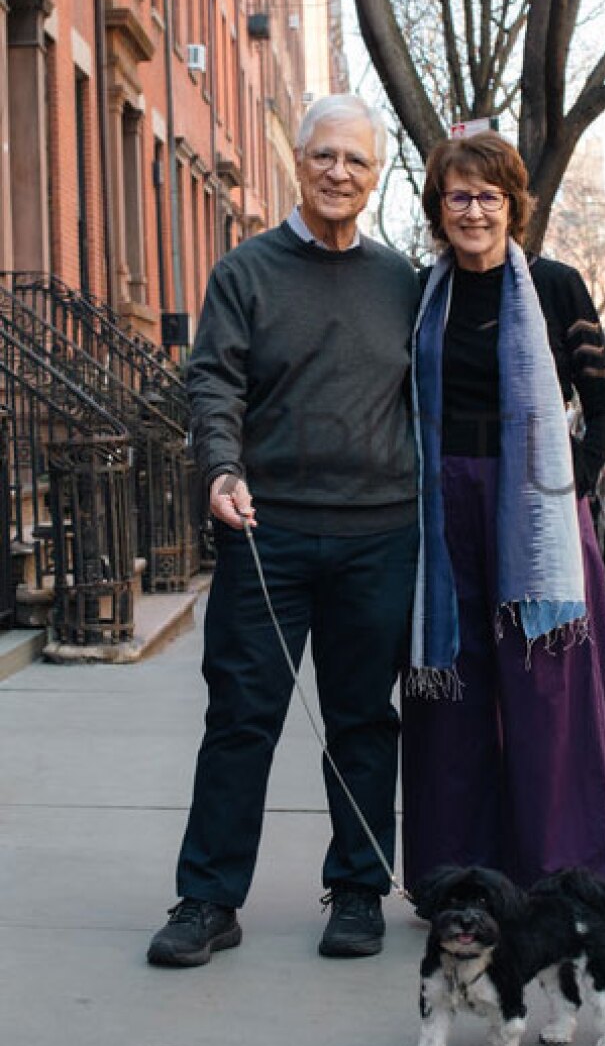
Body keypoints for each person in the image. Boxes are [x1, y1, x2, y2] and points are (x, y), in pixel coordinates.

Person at [148, 95, 419, 966]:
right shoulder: (245, 274)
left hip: (381, 533)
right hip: (269, 535)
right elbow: (213, 383)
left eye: (358, 162)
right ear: (298, 163)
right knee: (241, 716)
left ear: (376, 178)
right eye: (325, 156)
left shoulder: (407, 284)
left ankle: (359, 891)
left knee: (363, 721)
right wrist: (222, 468)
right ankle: (207, 899)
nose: (340, 173)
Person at [402, 131, 605, 901]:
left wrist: (571, 491)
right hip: (444, 516)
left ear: (512, 206)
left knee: (550, 706)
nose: (473, 211)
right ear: (439, 207)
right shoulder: (421, 296)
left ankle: (567, 883)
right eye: (458, 196)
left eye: (488, 196)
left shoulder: (556, 288)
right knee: (451, 703)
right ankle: (458, 882)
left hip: (537, 520)